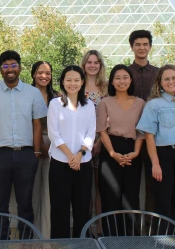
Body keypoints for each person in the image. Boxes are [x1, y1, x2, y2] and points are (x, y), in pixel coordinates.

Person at [0, 50, 48, 239]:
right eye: (5, 66)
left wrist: (37, 152)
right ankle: (2, 240)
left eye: (13, 65)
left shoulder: (32, 94)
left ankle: (25, 240)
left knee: (25, 203)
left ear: (20, 67)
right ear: (1, 69)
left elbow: (38, 124)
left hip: (26, 154)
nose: (9, 69)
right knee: (0, 203)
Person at [137, 64, 175, 233]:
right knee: (162, 200)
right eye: (166, 79)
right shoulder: (153, 105)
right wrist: (155, 164)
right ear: (160, 82)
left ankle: (173, 235)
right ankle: (161, 238)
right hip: (163, 155)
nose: (171, 82)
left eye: (174, 78)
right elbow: (149, 136)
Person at [48, 65, 96, 238]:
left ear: (82, 82)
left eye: (76, 80)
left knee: (82, 209)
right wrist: (70, 156)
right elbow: (54, 134)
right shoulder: (55, 104)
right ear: (62, 82)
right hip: (60, 163)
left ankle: (81, 243)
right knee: (59, 209)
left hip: (83, 163)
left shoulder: (89, 105)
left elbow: (91, 133)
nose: (72, 83)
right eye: (68, 80)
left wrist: (79, 155)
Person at [97, 64, 145, 235]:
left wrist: (137, 152)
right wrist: (112, 153)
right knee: (110, 196)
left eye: (125, 77)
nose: (121, 81)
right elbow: (102, 130)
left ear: (131, 80)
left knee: (131, 196)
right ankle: (109, 240)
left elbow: (142, 131)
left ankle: (130, 239)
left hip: (133, 150)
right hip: (111, 149)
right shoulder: (105, 102)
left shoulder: (140, 103)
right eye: (117, 78)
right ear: (111, 81)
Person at [128, 30, 159, 213]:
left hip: (152, 137)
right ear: (132, 47)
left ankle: (150, 226)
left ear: (150, 47)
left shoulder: (158, 74)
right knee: (130, 186)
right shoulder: (124, 73)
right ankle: (129, 228)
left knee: (152, 185)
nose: (141, 48)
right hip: (128, 135)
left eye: (145, 44)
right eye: (138, 44)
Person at [80, 50, 108, 226]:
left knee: (100, 188)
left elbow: (111, 115)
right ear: (84, 65)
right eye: (89, 62)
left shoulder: (107, 87)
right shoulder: (77, 85)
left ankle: (100, 228)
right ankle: (86, 228)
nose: (92, 65)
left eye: (96, 62)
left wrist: (99, 142)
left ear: (100, 65)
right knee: (84, 189)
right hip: (80, 144)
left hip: (102, 142)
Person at [31, 60, 58, 238]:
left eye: (47, 73)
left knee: (49, 194)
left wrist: (51, 145)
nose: (44, 76)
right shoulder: (26, 94)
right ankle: (32, 236)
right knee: (31, 194)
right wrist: (38, 144)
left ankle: (46, 237)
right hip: (31, 143)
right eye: (40, 72)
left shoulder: (57, 96)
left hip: (54, 145)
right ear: (33, 73)